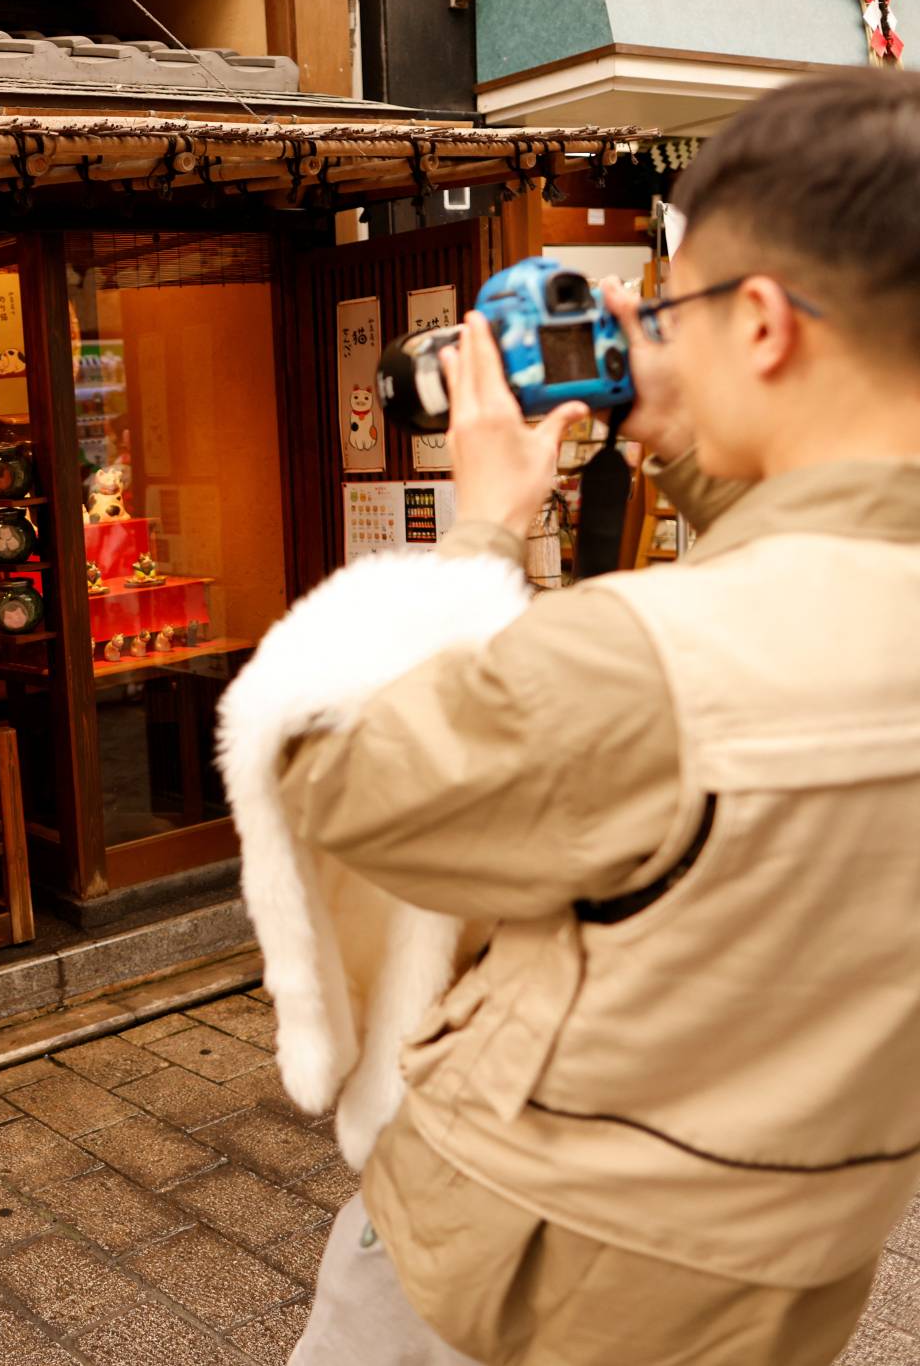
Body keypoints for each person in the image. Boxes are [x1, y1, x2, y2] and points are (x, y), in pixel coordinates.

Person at [264, 70, 920, 1365]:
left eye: (677, 305)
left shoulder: (649, 663)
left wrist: (487, 525)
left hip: (524, 1261)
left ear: (769, 326)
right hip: (784, 1271)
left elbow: (344, 781)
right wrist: (692, 445)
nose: (650, 331)